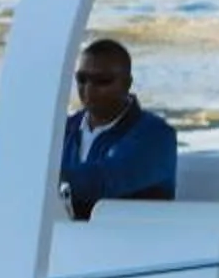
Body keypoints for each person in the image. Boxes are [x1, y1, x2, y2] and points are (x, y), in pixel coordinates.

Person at [60, 37, 176, 219]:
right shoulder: (63, 131)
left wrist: (43, 180)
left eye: (102, 81)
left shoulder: (157, 137)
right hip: (67, 234)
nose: (89, 89)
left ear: (127, 83)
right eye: (82, 79)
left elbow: (106, 181)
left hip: (135, 236)